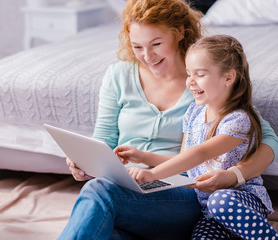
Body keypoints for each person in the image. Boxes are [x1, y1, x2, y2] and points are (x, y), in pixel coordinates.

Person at [60, 0, 278, 239]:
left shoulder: (206, 82)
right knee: (107, 227)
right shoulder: (118, 75)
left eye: (156, 44)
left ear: (179, 33)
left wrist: (234, 175)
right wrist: (85, 162)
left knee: (100, 193)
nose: (147, 56)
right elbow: (104, 138)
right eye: (137, 46)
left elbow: (263, 137)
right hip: (129, 187)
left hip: (180, 191)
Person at [116, 34, 278, 239]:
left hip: (239, 199)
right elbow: (184, 160)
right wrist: (142, 157)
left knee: (221, 201)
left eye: (199, 74)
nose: (190, 82)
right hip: (208, 210)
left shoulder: (238, 120)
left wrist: (153, 174)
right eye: (188, 74)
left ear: (228, 77)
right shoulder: (194, 112)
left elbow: (200, 153)